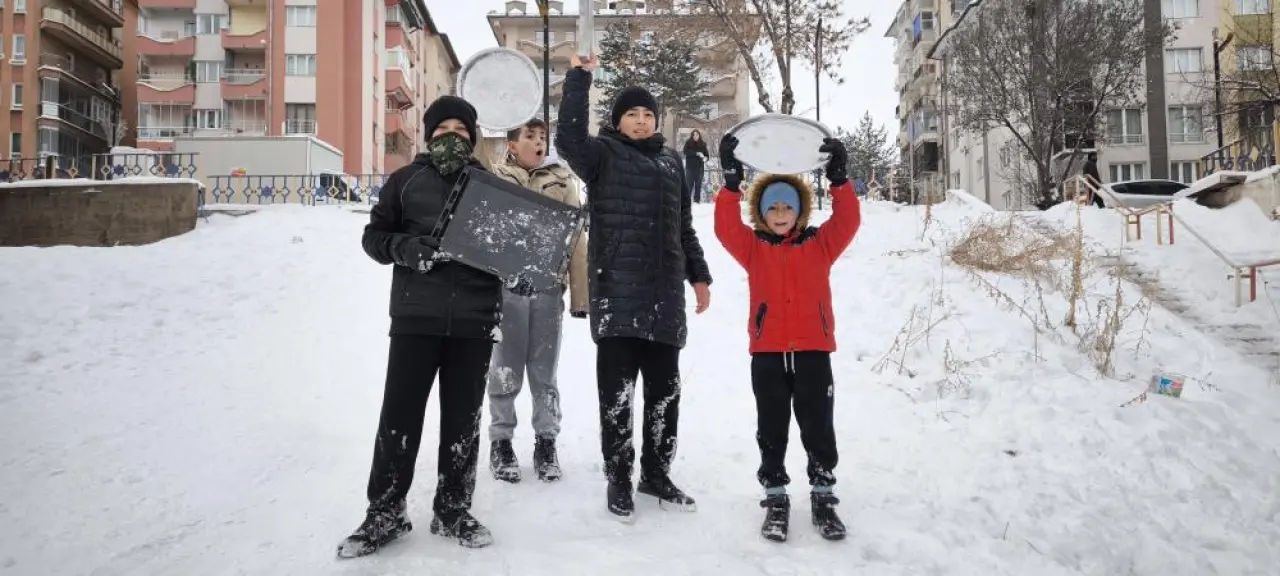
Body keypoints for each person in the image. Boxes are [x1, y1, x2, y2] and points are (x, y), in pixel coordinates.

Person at [337, 95, 532, 557]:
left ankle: (453, 509)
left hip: (474, 321)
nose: (452, 137)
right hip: (415, 318)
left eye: (461, 130)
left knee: (463, 421)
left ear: (473, 137)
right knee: (399, 417)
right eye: (443, 129)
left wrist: (522, 272)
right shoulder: (405, 181)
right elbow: (374, 237)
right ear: (429, 136)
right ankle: (385, 512)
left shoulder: (492, 187)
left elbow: (513, 251)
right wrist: (407, 249)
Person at [555, 53, 713, 522]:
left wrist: (699, 276)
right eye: (632, 114)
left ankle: (656, 474)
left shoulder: (672, 163)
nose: (642, 121)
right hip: (617, 296)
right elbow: (568, 140)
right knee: (618, 397)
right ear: (618, 120)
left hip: (665, 297)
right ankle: (619, 477)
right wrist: (579, 80)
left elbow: (684, 227)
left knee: (665, 394)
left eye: (648, 114)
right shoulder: (601, 155)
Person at [713, 134, 862, 543]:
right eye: (772, 207)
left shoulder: (820, 244)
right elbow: (725, 228)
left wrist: (839, 181)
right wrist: (731, 185)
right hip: (768, 353)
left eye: (788, 207)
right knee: (772, 426)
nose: (780, 214)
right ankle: (775, 496)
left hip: (813, 351)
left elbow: (847, 221)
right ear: (761, 213)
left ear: (800, 210)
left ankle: (823, 494)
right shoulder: (754, 248)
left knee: (818, 425)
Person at [486, 118, 589, 483]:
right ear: (512, 144)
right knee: (505, 367)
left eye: (542, 136)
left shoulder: (562, 180)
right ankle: (501, 440)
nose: (538, 142)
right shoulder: (495, 177)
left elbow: (577, 236)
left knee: (545, 370)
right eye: (529, 136)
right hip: (507, 288)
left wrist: (581, 295)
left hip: (547, 288)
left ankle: (546, 441)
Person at [682, 129, 709, 202]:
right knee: (689, 185)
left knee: (698, 185)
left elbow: (707, 155)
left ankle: (697, 201)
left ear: (699, 135)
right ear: (692, 135)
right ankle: (687, 202)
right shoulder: (688, 142)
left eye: (697, 134)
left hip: (700, 168)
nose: (695, 136)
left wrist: (705, 158)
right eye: (694, 135)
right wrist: (696, 153)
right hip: (690, 168)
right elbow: (685, 151)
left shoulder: (703, 144)